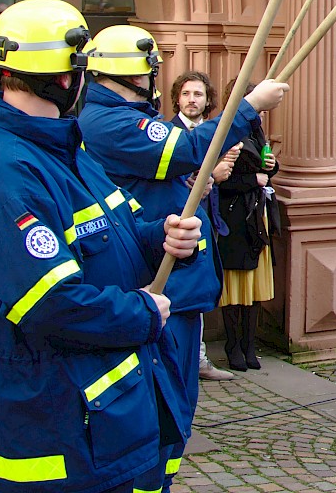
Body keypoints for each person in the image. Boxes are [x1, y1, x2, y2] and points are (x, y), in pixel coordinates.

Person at [0, 0, 202, 493]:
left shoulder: (65, 149)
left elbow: (114, 237)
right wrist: (142, 313)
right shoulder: (8, 171)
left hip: (112, 420)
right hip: (63, 432)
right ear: (69, 79)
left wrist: (163, 237)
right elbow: (51, 303)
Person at [78, 25, 287, 490]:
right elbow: (189, 147)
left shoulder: (123, 115)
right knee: (160, 412)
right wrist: (249, 105)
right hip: (158, 283)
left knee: (176, 412)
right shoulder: (110, 122)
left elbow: (172, 170)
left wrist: (198, 183)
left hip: (180, 280)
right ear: (141, 75)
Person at [170, 70, 242, 383]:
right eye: (186, 94)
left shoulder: (214, 134)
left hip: (209, 224)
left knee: (199, 294)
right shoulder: (168, 134)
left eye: (197, 94)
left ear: (207, 100)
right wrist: (211, 172)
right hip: (176, 228)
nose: (191, 100)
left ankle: (197, 359)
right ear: (177, 98)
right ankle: (180, 361)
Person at [216, 78, 280, 373]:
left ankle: (249, 345)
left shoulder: (256, 131)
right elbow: (218, 180)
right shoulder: (224, 131)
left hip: (256, 216)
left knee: (254, 288)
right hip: (234, 217)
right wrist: (253, 179)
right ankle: (233, 346)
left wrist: (271, 168)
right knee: (234, 287)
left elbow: (265, 168)